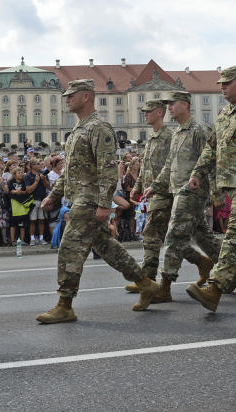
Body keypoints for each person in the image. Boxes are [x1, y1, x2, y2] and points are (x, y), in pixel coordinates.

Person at [36, 79, 159, 324]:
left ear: (87, 97)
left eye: (72, 95)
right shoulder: (78, 130)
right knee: (105, 246)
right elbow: (70, 170)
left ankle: (65, 304)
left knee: (69, 248)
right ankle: (146, 284)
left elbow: (107, 169)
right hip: (78, 197)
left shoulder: (99, 128)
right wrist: (54, 194)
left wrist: (104, 204)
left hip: (90, 200)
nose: (67, 99)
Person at [186, 64, 236, 312]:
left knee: (235, 235)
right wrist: (198, 171)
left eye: (227, 83)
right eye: (220, 83)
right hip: (231, 186)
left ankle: (215, 288)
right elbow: (212, 148)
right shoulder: (224, 115)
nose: (221, 87)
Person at [142, 91, 219, 303]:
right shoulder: (177, 132)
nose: (169, 108)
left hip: (192, 192)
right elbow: (169, 166)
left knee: (173, 235)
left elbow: (213, 160)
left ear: (185, 105)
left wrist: (217, 193)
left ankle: (164, 287)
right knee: (202, 236)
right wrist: (155, 186)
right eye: (167, 104)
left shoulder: (199, 130)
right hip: (177, 191)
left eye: (173, 104)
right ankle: (228, 272)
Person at [127, 100, 174, 293]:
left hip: (164, 192)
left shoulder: (168, 136)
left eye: (149, 111)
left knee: (151, 234)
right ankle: (204, 263)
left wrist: (155, 186)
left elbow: (170, 166)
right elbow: (146, 166)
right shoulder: (153, 136)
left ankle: (147, 278)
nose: (145, 114)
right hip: (152, 193)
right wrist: (137, 186)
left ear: (160, 113)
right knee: (173, 238)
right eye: (144, 111)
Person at [26, 161, 51, 245]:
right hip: (33, 200)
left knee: (41, 220)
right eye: (37, 164)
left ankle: (41, 238)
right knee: (32, 220)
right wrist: (36, 182)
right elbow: (28, 190)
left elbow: (48, 186)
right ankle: (32, 239)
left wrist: (43, 180)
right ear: (32, 166)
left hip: (42, 200)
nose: (40, 165)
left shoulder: (43, 174)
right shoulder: (28, 176)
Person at [8, 167, 32, 245]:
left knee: (22, 224)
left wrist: (22, 192)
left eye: (22, 172)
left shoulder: (24, 182)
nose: (21, 174)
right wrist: (16, 191)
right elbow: (10, 190)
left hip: (22, 205)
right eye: (19, 173)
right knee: (13, 224)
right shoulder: (11, 182)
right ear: (15, 175)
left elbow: (26, 191)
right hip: (14, 205)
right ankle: (13, 241)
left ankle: (22, 240)